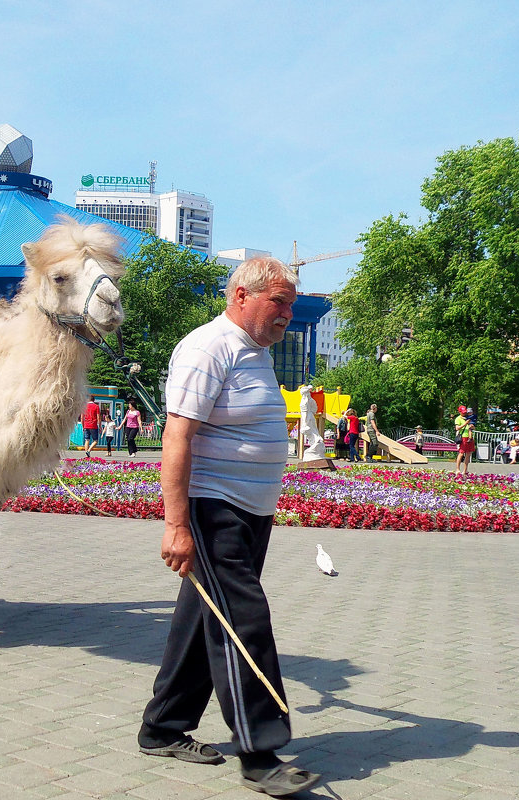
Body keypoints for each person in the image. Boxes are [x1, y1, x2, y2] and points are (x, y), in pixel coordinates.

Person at [138, 256, 320, 796]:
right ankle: (260, 753)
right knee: (243, 620)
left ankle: (162, 726)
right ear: (242, 295)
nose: (287, 312)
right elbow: (178, 439)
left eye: (291, 303)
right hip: (212, 508)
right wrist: (176, 525)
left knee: (203, 620)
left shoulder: (256, 353)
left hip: (250, 511)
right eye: (279, 301)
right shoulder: (206, 347)